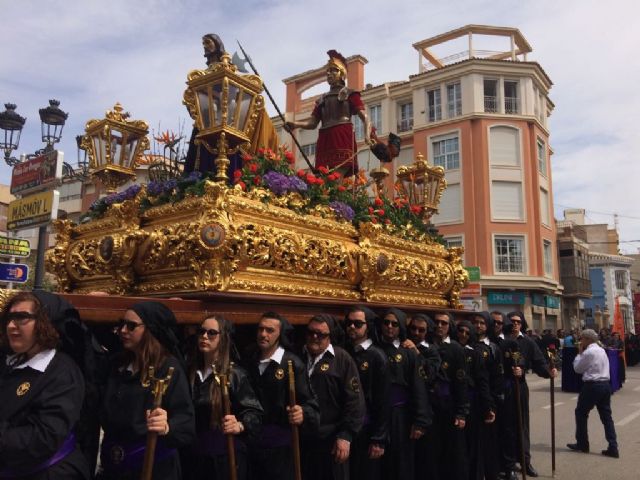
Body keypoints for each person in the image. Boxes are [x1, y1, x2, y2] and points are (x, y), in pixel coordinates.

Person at [99, 301, 195, 479]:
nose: (123, 330)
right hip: (115, 466)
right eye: (122, 324)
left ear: (150, 330)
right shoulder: (118, 364)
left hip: (153, 466)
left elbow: (185, 421)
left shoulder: (168, 368)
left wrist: (167, 426)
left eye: (131, 326)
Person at [0, 291, 90, 479]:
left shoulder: (63, 372)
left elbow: (44, 437)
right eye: (9, 318)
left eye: (22, 318)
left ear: (45, 323)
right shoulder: (8, 362)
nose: (10, 325)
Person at [184, 314, 263, 480]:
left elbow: (254, 413)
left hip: (223, 457)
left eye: (212, 333)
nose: (204, 337)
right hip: (193, 455)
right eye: (201, 332)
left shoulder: (235, 374)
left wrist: (240, 425)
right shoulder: (189, 372)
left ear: (223, 338)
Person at [245, 312, 319, 480]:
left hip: (281, 448)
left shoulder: (292, 364)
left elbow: (310, 405)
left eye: (270, 330)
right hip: (252, 444)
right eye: (261, 329)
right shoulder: (249, 359)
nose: (263, 334)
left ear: (280, 334)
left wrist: (303, 413)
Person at [285, 50, 373, 176]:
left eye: (333, 70)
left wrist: (367, 135)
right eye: (328, 72)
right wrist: (295, 124)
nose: (329, 74)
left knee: (337, 176)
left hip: (341, 134)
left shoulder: (350, 93)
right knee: (323, 176)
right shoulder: (322, 99)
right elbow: (313, 122)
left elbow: (364, 116)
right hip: (325, 137)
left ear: (342, 73)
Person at [301, 314, 365, 480]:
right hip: (304, 439)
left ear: (330, 337)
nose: (315, 337)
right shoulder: (298, 356)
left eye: (321, 334)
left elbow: (354, 401)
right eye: (311, 332)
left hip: (333, 438)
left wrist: (346, 436)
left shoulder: (342, 359)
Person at [375, 308, 431, 480]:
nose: (389, 327)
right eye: (386, 323)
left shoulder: (407, 353)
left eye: (394, 324)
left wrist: (420, 420)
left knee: (401, 461)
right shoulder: (373, 350)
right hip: (377, 413)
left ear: (400, 328)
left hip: (401, 415)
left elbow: (418, 387)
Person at [501, 312, 558, 478]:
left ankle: (525, 461)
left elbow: (539, 363)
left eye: (518, 321)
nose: (515, 324)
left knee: (523, 425)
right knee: (508, 427)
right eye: (511, 321)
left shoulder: (528, 342)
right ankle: (508, 465)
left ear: (522, 324)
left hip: (520, 387)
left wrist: (549, 371)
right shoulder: (501, 340)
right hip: (504, 387)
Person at [343, 306, 390, 480]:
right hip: (345, 426)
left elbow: (383, 400)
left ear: (368, 326)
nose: (352, 327)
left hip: (367, 428)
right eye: (349, 323)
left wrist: (379, 438)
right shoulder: (344, 352)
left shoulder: (377, 356)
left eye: (358, 324)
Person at [567, 329, 619, 458]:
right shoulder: (601, 350)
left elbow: (577, 369)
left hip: (592, 386)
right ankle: (613, 446)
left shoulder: (589, 351)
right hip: (605, 385)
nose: (581, 341)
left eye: (582, 339)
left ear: (588, 339)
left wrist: (579, 354)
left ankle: (582, 443)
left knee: (581, 413)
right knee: (606, 417)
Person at [431, 311, 470, 480]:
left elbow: (461, 382)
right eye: (437, 322)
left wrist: (461, 412)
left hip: (449, 404)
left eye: (443, 323)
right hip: (430, 406)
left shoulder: (455, 348)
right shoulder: (426, 345)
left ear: (449, 327)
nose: (439, 326)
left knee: (452, 450)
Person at [454, 320, 495, 480]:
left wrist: (488, 406)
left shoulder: (475, 353)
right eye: (460, 331)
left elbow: (482, 382)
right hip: (452, 405)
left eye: (467, 332)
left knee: (472, 447)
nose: (463, 335)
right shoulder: (450, 350)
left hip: (472, 406)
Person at [403, 313, 441, 480]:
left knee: (426, 457)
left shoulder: (431, 350)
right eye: (413, 329)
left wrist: (416, 352)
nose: (416, 333)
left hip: (426, 407)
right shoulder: (402, 346)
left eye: (421, 330)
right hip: (404, 408)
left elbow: (430, 375)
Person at [471, 312, 503, 480]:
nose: (478, 326)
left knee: (488, 444)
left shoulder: (493, 348)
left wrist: (492, 403)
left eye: (482, 323)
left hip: (487, 401)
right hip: (468, 401)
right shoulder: (465, 344)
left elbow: (497, 379)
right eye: (475, 322)